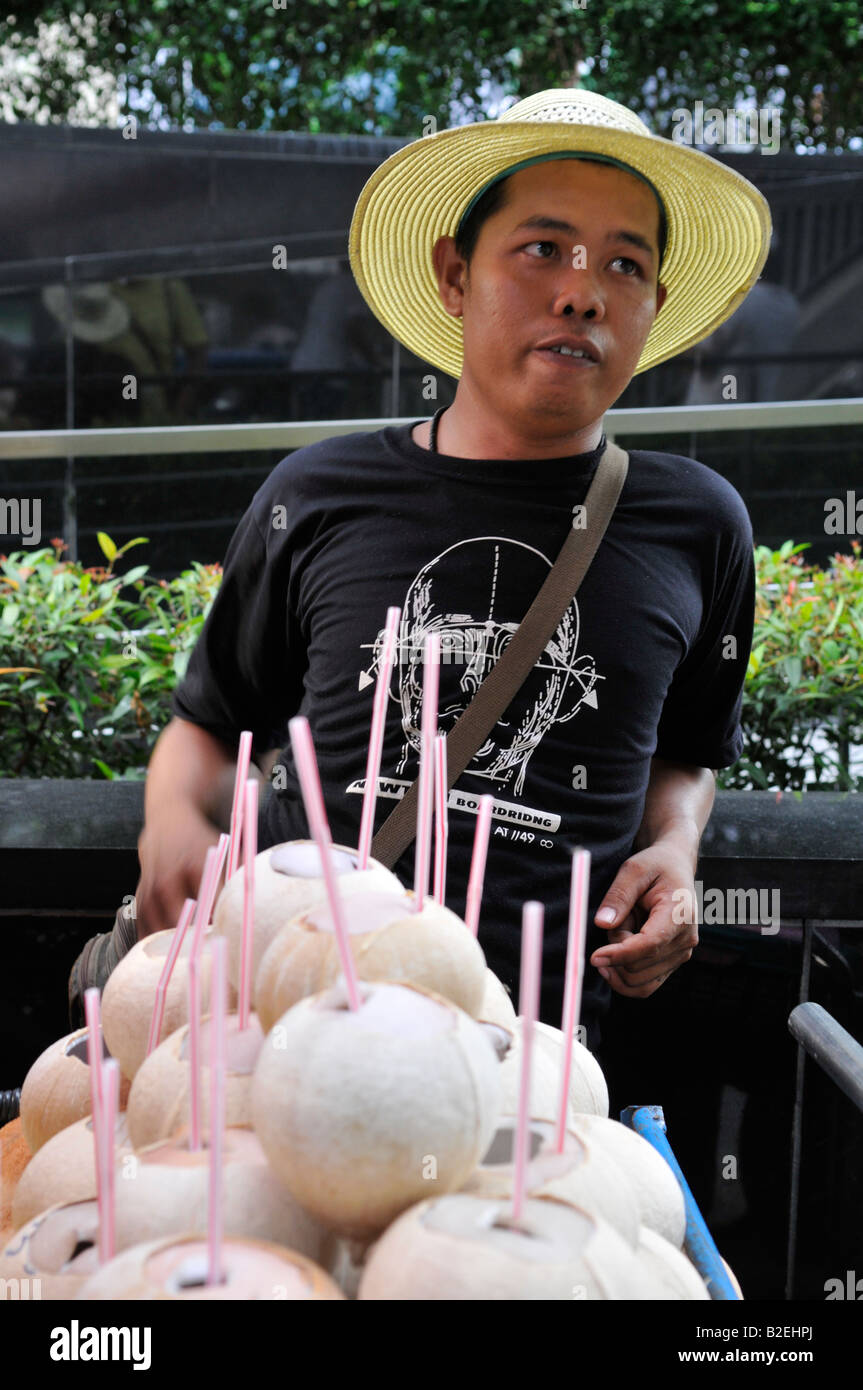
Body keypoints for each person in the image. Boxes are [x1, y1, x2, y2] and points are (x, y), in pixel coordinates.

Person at [69, 88, 770, 1055]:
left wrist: (674, 850)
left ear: (651, 308)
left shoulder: (698, 524)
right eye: (542, 249)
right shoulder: (317, 492)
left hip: (527, 1066)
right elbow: (208, 726)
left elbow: (687, 753)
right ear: (454, 272)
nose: (581, 291)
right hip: (284, 1040)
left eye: (624, 264)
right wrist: (170, 826)